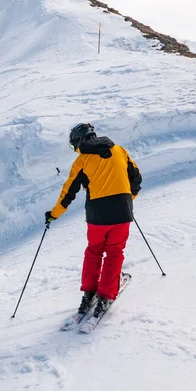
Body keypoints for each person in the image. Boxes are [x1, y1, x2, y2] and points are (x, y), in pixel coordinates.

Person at [45, 123, 142, 318]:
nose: (75, 151)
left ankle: (89, 294)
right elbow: (136, 179)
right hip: (122, 211)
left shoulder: (82, 160)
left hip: (97, 214)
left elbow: (68, 192)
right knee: (115, 253)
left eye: (74, 146)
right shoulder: (119, 150)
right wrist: (126, 200)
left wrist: (54, 214)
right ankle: (106, 295)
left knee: (94, 251)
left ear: (79, 141)